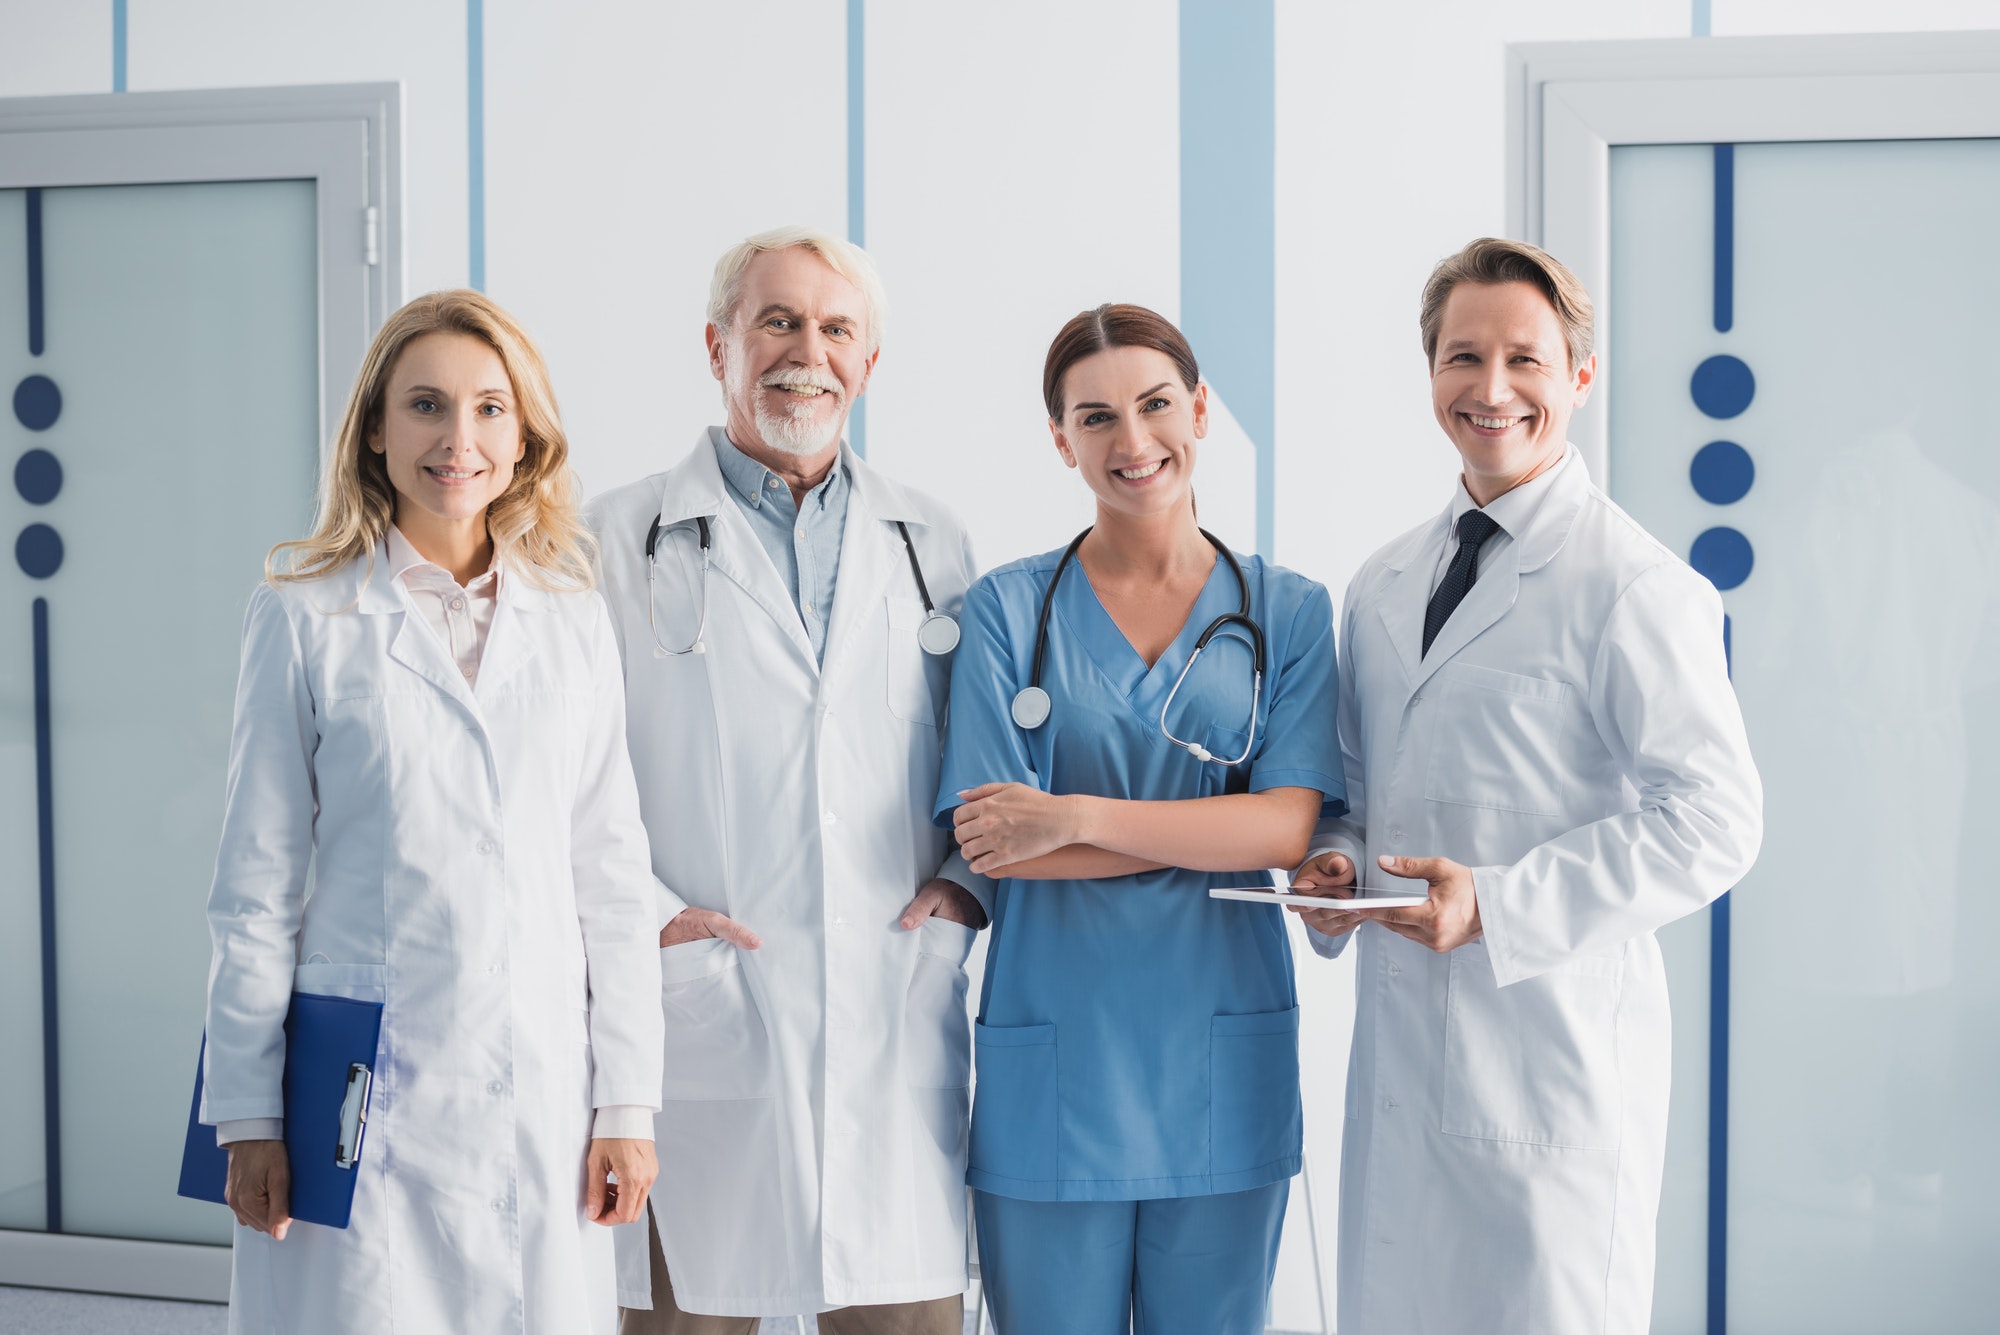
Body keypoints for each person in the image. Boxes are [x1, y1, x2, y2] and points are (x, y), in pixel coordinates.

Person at [1289, 238, 1763, 1334]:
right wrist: (1338, 868)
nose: (1489, 390)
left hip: (1549, 1076)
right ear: (1429, 376)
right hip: (1404, 1075)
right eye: (1462, 357)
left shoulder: (1633, 585)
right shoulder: (1383, 581)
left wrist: (1497, 906)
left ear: (1578, 379)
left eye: (1524, 360)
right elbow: (1363, 795)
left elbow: (1714, 819)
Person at [201, 290, 665, 1334]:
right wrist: (247, 1111)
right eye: (425, 406)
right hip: (364, 1081)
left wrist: (627, 1103)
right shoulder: (304, 615)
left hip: (540, 1079)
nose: (459, 439)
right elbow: (254, 889)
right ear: (374, 429)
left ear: (525, 435)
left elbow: (611, 879)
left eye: (491, 409)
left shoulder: (573, 622)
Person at [586, 225, 985, 1334]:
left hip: (890, 1007)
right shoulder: (611, 540)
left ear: (867, 362)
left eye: (833, 327)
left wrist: (962, 889)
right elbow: (573, 776)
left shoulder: (932, 541)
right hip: (696, 1012)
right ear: (716, 345)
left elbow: (981, 755)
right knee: (683, 1314)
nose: (803, 350)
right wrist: (655, 924)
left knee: (899, 1312)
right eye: (775, 321)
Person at [934, 304, 1344, 1335]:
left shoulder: (1287, 613)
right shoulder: (1002, 611)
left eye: (1155, 404)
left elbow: (1285, 830)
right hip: (1054, 1076)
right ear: (1059, 439)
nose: (1132, 441)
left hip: (1219, 1066)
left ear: (1199, 410)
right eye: (1095, 417)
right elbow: (998, 850)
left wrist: (1070, 815)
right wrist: (1212, 831)